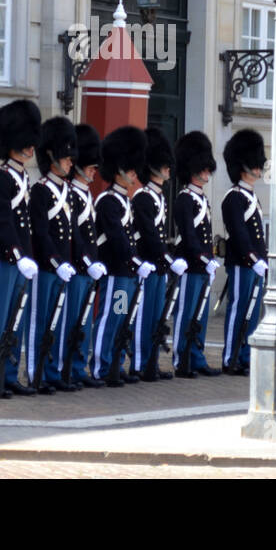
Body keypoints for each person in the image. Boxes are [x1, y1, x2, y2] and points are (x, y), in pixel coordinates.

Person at [0, 98, 42, 398]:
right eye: (25, 143)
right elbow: (3, 222)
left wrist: (28, 257)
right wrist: (19, 256)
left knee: (15, 319)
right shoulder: (0, 179)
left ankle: (9, 374)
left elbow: (25, 225)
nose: (30, 149)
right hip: (3, 258)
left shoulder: (23, 178)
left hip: (21, 261)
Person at [90, 125, 152, 386]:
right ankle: (100, 366)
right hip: (115, 270)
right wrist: (135, 261)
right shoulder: (107, 201)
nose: (134, 174)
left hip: (126, 273)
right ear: (118, 171)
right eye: (130, 169)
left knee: (120, 318)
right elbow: (116, 237)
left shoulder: (124, 201)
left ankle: (113, 363)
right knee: (108, 318)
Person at [28, 116, 79, 393]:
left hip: (63, 267)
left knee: (57, 323)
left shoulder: (66, 191)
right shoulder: (41, 191)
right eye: (66, 157)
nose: (71, 162)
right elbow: (41, 232)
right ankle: (36, 372)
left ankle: (52, 371)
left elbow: (70, 233)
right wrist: (56, 263)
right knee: (41, 321)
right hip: (46, 267)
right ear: (52, 157)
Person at [131, 127, 184, 380]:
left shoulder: (159, 196)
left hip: (158, 266)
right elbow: (150, 235)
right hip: (147, 264)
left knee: (156, 317)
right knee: (143, 318)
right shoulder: (142, 197)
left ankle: (151, 361)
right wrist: (165, 258)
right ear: (153, 166)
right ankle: (140, 363)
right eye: (164, 165)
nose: (168, 169)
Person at [171, 131, 221, 377]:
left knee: (200, 315)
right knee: (186, 313)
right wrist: (204, 259)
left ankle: (197, 356)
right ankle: (182, 358)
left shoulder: (202, 199)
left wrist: (209, 260)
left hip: (203, 266)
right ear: (193, 168)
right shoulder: (184, 199)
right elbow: (189, 237)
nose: (207, 173)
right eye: (203, 168)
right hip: (191, 265)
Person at [61, 123, 108, 389]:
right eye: (90, 166)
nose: (93, 171)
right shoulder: (72, 195)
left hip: (88, 268)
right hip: (77, 268)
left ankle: (78, 367)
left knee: (85, 323)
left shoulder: (85, 195)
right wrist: (87, 262)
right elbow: (74, 236)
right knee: (73, 322)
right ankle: (70, 367)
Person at [221, 128, 268, 376]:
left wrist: (262, 260)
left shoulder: (250, 196)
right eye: (254, 165)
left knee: (252, 314)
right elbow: (239, 234)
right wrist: (253, 259)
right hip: (242, 263)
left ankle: (245, 355)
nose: (258, 170)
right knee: (239, 309)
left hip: (255, 265)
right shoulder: (234, 197)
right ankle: (230, 357)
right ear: (243, 166)